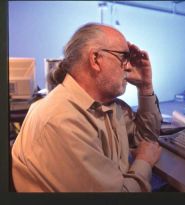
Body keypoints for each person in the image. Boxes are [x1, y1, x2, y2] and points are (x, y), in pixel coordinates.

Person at [11, 23, 163, 192]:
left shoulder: (107, 104)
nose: (128, 67)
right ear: (96, 59)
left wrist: (145, 86)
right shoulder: (62, 121)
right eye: (123, 57)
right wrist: (144, 162)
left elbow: (146, 139)